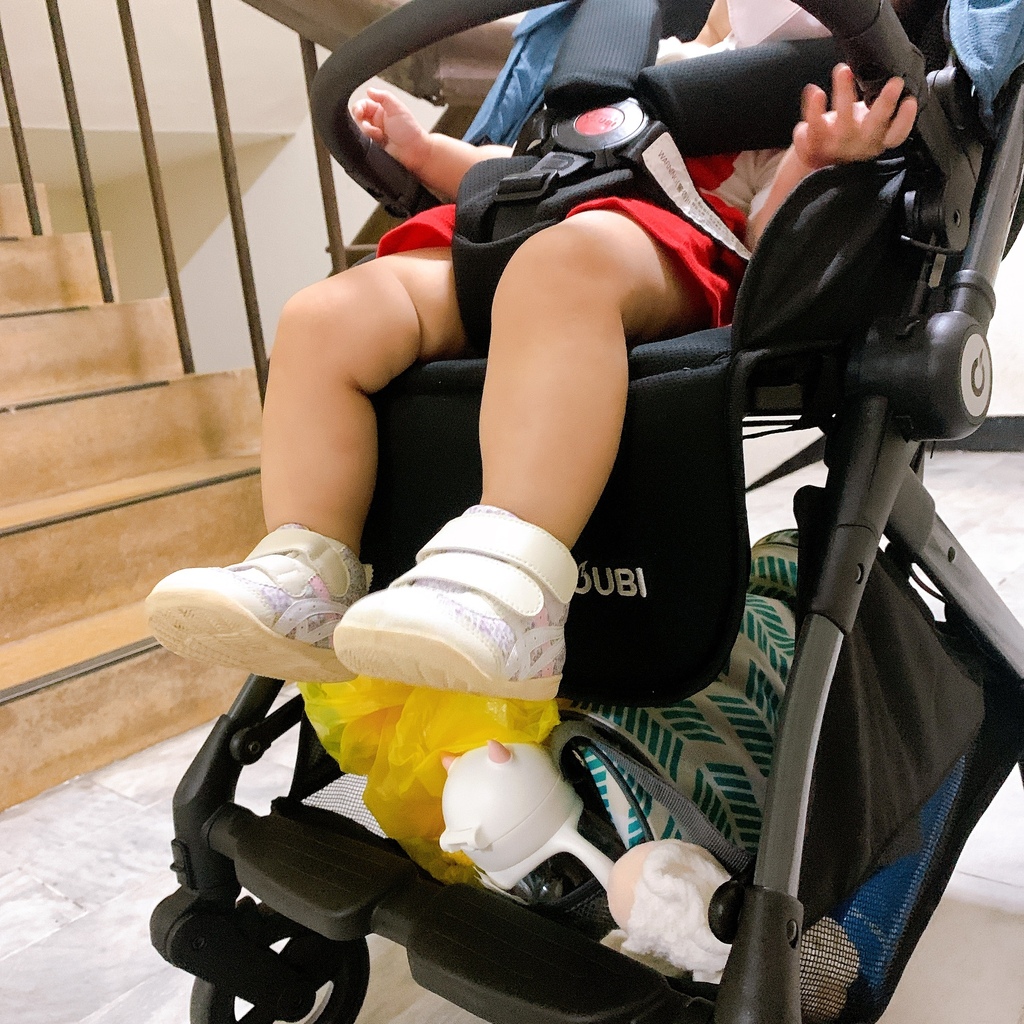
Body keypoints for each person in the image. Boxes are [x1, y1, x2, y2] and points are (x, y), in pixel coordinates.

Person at [145, 0, 917, 701]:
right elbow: (533, 168)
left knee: (561, 267)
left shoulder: (799, 93)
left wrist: (815, 163)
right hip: (531, 226)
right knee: (324, 316)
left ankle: (512, 589)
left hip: (658, 254)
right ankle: (306, 573)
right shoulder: (637, 59)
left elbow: (768, 243)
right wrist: (426, 152)